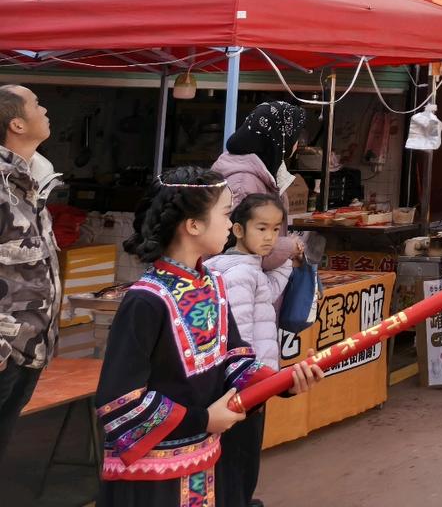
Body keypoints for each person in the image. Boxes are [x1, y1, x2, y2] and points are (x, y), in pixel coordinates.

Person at [97, 168, 321, 506]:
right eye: (226, 214)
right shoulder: (145, 300)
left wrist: (283, 382)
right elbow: (119, 404)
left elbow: (234, 359)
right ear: (193, 225)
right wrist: (203, 420)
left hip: (203, 465)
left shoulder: (212, 285)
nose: (231, 224)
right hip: (151, 481)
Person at [211, 192, 300, 507]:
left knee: (238, 463)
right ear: (238, 229)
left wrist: (287, 261)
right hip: (244, 387)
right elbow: (239, 340)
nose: (270, 237)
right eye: (261, 228)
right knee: (238, 463)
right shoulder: (240, 274)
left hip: (249, 385)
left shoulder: (246, 268)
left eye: (276, 230)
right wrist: (252, 384)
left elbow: (269, 289)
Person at [0, 84, 61, 462]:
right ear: (17, 124)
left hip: (29, 348)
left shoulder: (33, 179)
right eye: (37, 104)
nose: (45, 110)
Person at [212, 101, 306, 273]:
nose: (297, 144)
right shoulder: (243, 183)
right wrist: (289, 246)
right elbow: (234, 249)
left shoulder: (267, 171)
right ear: (280, 138)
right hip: (241, 283)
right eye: (294, 137)